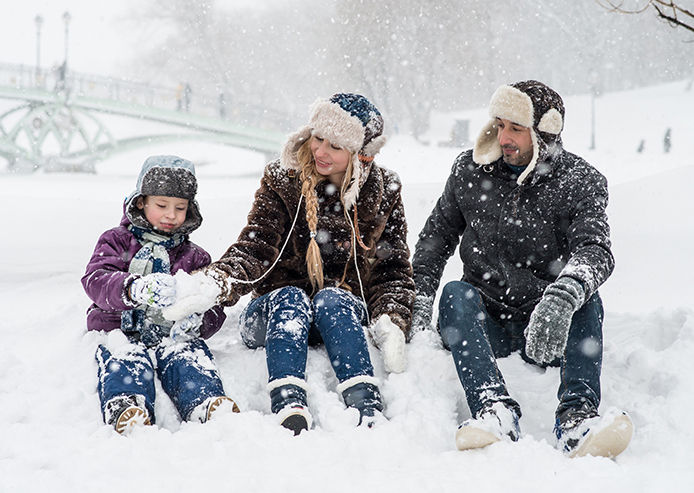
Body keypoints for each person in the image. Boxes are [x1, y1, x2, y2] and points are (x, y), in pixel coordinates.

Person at [411, 80, 633, 458]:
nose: (504, 137)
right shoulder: (469, 170)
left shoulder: (580, 181)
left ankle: (577, 419)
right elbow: (435, 241)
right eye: (499, 125)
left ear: (544, 133)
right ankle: (493, 409)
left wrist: (563, 297)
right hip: (485, 323)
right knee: (454, 294)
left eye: (516, 128)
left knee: (587, 298)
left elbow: (595, 249)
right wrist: (416, 303)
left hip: (548, 329)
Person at [175, 93, 415, 434]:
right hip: (274, 314)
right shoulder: (282, 180)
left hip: (339, 315)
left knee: (333, 299)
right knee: (291, 297)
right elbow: (255, 247)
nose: (320, 151)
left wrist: (392, 318)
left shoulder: (383, 190)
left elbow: (392, 268)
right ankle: (288, 400)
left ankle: (365, 401)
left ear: (360, 156)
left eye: (335, 146)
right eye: (318, 138)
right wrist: (216, 282)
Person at [82, 155, 239, 434]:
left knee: (188, 356)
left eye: (180, 208)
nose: (171, 215)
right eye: (162, 205)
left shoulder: (195, 257)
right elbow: (96, 279)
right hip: (119, 328)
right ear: (141, 201)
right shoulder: (117, 241)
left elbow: (212, 305)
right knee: (125, 357)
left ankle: (204, 401)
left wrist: (199, 320)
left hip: (171, 334)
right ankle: (127, 404)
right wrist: (132, 288)